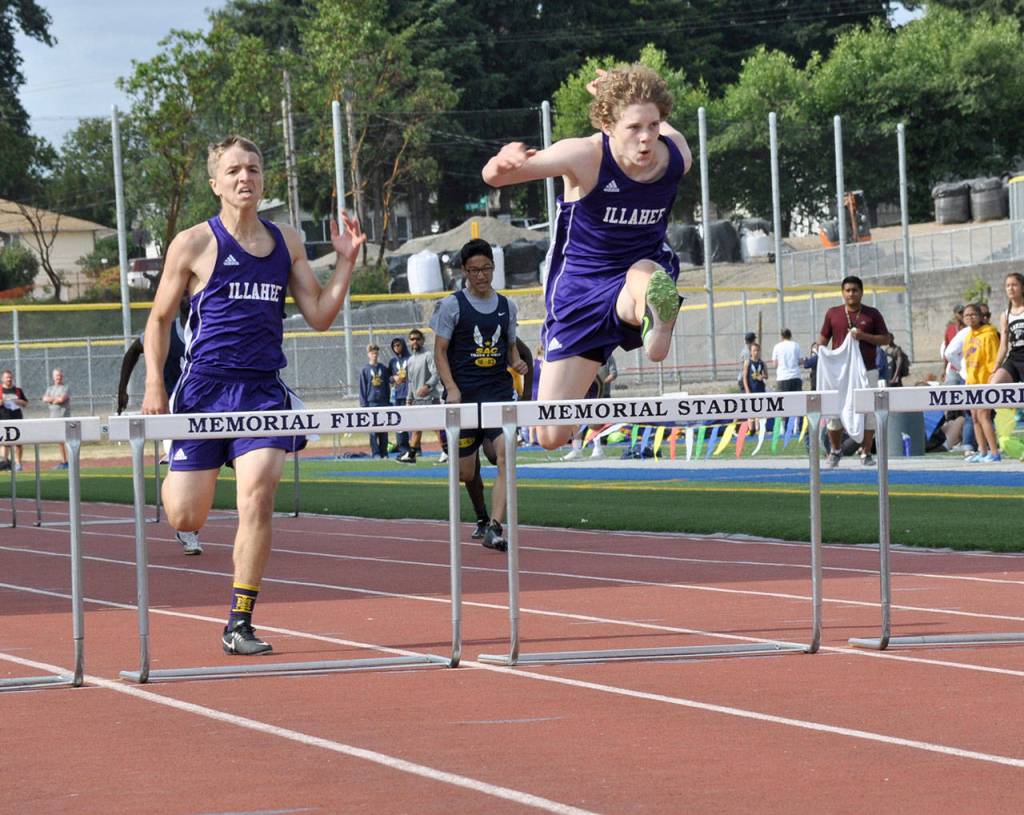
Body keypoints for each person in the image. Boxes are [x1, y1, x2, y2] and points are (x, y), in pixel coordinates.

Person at [141, 134, 365, 655]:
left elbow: (320, 316)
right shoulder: (193, 243)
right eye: (236, 170)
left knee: (259, 499)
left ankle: (239, 621)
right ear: (215, 182)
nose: (247, 178)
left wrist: (346, 262)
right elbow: (159, 319)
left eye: (255, 170)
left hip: (262, 392)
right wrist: (155, 383)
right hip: (202, 392)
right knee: (186, 517)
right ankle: (182, 477)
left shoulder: (286, 241)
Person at [482, 64, 691, 449]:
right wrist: (503, 161)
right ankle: (591, 380)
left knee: (644, 272)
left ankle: (657, 317)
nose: (646, 139)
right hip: (579, 291)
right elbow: (494, 178)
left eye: (653, 126)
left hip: (637, 277)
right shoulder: (584, 156)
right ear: (608, 125)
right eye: (633, 128)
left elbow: (659, 127)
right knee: (549, 434)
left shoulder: (675, 156)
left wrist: (619, 103)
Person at [431, 239, 529, 551]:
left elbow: (510, 346)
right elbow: (439, 352)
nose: (481, 276)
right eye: (474, 270)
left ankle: (496, 527)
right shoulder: (451, 306)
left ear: (493, 268)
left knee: (505, 456)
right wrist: (452, 388)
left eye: (486, 269)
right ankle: (482, 515)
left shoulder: (507, 306)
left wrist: (516, 362)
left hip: (498, 394)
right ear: (464, 271)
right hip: (465, 397)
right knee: (465, 471)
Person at [117, 297, 204, 555]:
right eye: (187, 299)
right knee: (184, 469)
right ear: (180, 304)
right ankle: (187, 529)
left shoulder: (211, 329)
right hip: (173, 412)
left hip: (208, 410)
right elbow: (134, 350)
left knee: (206, 472)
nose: (191, 304)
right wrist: (123, 389)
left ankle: (186, 514)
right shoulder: (165, 331)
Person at [817, 275, 892, 467]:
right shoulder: (833, 313)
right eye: (848, 290)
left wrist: (863, 336)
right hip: (839, 374)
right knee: (835, 413)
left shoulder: (872, 314)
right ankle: (835, 450)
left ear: (861, 292)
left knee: (868, 413)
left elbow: (885, 339)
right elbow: (823, 339)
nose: (851, 293)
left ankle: (865, 452)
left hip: (868, 370)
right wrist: (819, 350)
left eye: (855, 290)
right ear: (842, 292)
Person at [962, 303, 1001, 462]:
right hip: (972, 382)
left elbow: (993, 360)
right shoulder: (968, 336)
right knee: (975, 417)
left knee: (984, 415)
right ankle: (982, 451)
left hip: (985, 381)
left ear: (980, 316)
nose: (970, 317)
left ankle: (994, 452)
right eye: (966, 315)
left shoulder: (989, 334)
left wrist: (991, 381)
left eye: (973, 314)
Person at [399, 328, 440, 464]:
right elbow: (410, 382)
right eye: (412, 339)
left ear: (422, 340)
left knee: (436, 427)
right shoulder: (410, 360)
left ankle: (447, 451)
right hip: (417, 400)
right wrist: (408, 399)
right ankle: (411, 455)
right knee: (416, 428)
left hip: (430, 398)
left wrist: (427, 386)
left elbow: (436, 373)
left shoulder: (428, 355)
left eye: (417, 338)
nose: (415, 341)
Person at [990, 272, 1024, 386]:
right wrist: (996, 367)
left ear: (1022, 288)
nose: (1011, 288)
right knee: (994, 383)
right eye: (1008, 285)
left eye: (1014, 285)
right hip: (1014, 358)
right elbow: (1003, 346)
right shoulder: (1005, 315)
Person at [358, 344, 391, 458]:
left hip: (382, 402)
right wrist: (363, 404)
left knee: (384, 430)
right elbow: (362, 388)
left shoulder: (382, 368)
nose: (374, 355)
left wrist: (388, 401)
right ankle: (376, 452)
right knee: (373, 431)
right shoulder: (365, 370)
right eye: (372, 353)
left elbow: (387, 386)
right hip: (371, 403)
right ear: (368, 354)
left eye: (376, 353)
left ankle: (384, 452)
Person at [41, 367, 71, 469]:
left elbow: (62, 399)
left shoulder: (65, 387)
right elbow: (44, 398)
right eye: (56, 375)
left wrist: (52, 400)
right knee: (60, 441)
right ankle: (64, 461)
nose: (58, 377)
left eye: (60, 375)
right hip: (54, 418)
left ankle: (70, 460)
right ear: (53, 377)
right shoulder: (50, 388)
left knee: (67, 440)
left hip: (64, 417)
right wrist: (54, 399)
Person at [387, 336, 412, 457]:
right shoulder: (392, 362)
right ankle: (402, 448)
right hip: (397, 396)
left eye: (398, 345)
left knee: (411, 422)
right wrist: (393, 378)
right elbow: (388, 377)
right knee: (399, 423)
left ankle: (414, 447)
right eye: (394, 346)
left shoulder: (410, 359)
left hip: (409, 395)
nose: (396, 348)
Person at [0, 369, 28, 471]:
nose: (9, 379)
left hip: (17, 418)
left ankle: (18, 463)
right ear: (2, 379)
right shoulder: (0, 390)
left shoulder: (18, 390)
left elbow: (25, 403)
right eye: (7, 377)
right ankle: (5, 462)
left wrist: (19, 401)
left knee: (19, 442)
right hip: (4, 418)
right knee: (4, 442)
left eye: (10, 377)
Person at [940, 304, 966, 384]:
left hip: (967, 366)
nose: (962, 315)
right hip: (954, 367)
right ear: (955, 314)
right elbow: (947, 351)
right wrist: (944, 370)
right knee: (950, 387)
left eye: (963, 312)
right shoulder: (950, 329)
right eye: (960, 312)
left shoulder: (969, 329)